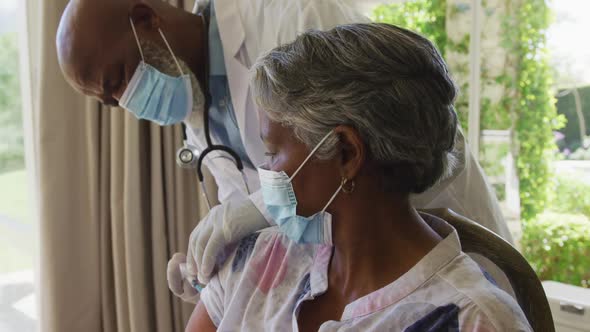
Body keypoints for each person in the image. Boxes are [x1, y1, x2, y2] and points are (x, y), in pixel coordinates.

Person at [55, 0, 511, 302]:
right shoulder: (195, 103)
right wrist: (216, 263)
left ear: (146, 19)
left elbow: (377, 140)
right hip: (347, 279)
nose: (125, 104)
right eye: (108, 101)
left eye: (118, 80)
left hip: (431, 232)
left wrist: (250, 215)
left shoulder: (293, 12)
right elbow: (267, 208)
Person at [185, 23, 532, 331]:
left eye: (273, 152)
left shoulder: (474, 320)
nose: (265, 172)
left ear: (347, 152)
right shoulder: (259, 259)